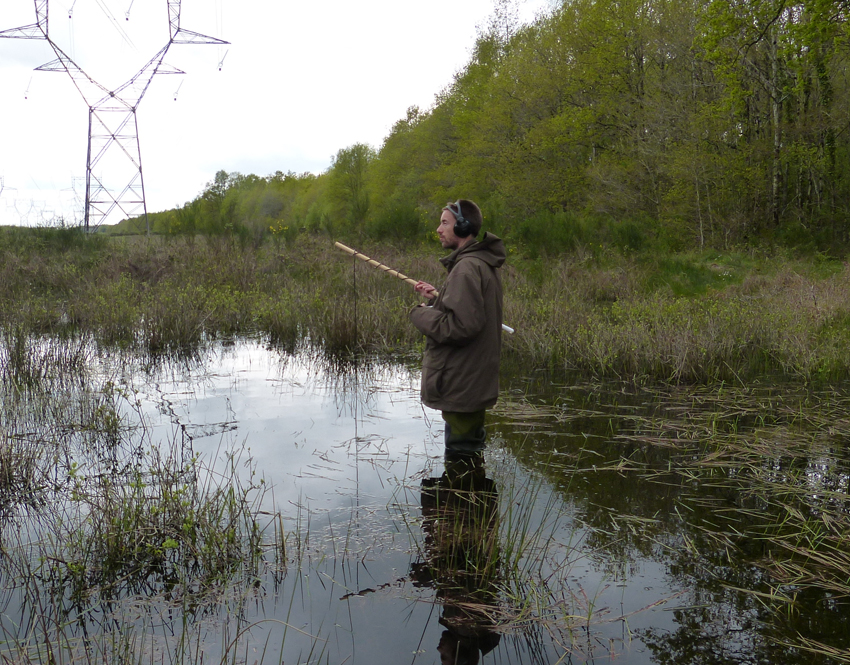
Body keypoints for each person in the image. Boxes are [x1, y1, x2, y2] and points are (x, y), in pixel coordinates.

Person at [409, 199, 506, 454]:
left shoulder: (466, 268)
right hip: (472, 380)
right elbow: (471, 310)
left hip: (463, 382)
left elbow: (460, 327)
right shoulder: (479, 262)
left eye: (444, 223)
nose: (439, 229)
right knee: (469, 449)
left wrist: (420, 314)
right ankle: (473, 494)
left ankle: (463, 494)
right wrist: (439, 299)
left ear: (463, 227)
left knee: (462, 454)